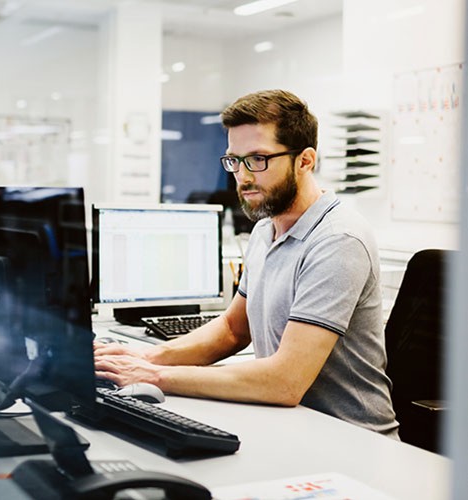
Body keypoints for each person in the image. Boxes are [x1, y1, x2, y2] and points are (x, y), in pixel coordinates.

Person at [94, 89, 399, 438]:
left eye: (258, 159)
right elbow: (232, 330)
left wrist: (154, 376)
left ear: (305, 161)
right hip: (293, 425)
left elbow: (285, 381)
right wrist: (146, 357)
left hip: (352, 437)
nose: (243, 176)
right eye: (234, 161)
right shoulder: (265, 230)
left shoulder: (337, 240)